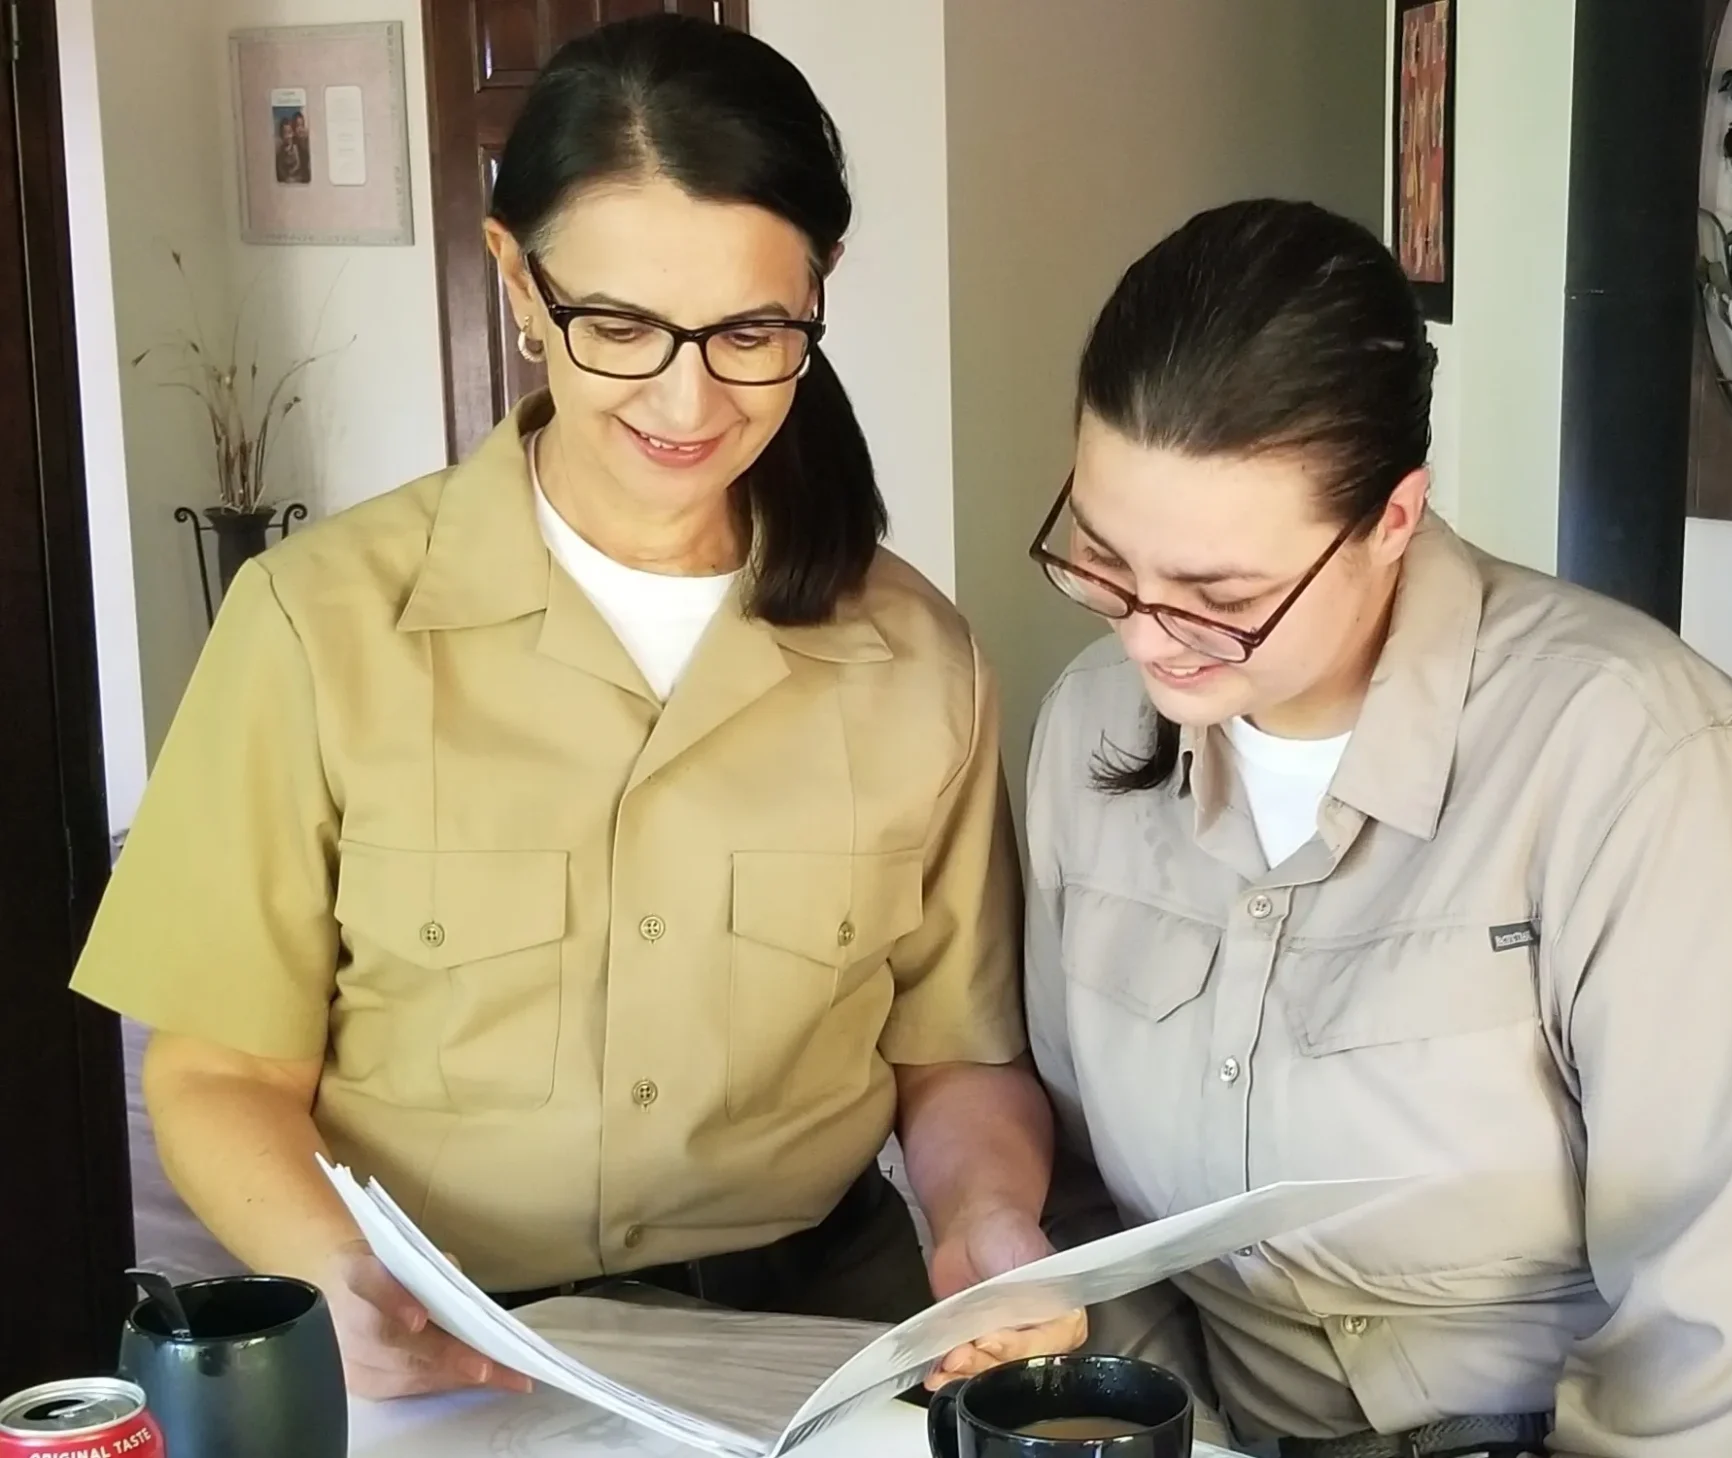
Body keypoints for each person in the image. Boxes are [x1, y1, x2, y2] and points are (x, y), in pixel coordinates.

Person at [73, 14, 1078, 1402]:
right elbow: (217, 1069)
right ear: (519, 282)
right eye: (617, 325)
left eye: (751, 331)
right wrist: (337, 1271)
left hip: (814, 1342)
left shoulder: (917, 655)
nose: (687, 396)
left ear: (819, 290)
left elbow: (955, 1058)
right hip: (446, 1340)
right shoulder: (314, 625)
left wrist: (985, 1215)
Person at [1018, 198, 1732, 1456]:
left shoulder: (1642, 765)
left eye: (1221, 598)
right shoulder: (1090, 735)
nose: (1144, 636)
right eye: (1106, 561)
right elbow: (1087, 1204)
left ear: (1393, 519)